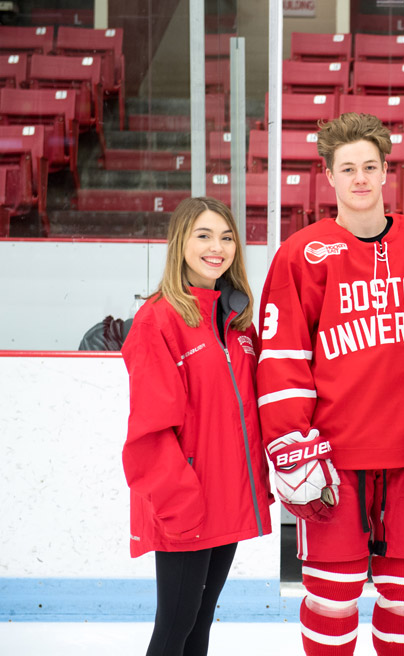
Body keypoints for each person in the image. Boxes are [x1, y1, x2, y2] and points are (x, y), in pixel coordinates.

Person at [256, 112, 404, 655]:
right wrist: (291, 443)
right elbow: (283, 356)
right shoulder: (301, 253)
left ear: (386, 172)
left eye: (369, 166)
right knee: (332, 600)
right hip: (333, 460)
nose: (360, 178)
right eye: (347, 168)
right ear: (329, 176)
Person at [121, 196, 273, 656]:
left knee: (200, 622)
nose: (218, 247)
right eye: (204, 235)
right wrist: (178, 501)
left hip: (226, 499)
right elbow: (149, 430)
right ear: (180, 243)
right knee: (175, 625)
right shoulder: (159, 319)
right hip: (184, 502)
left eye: (226, 237)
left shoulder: (236, 321)